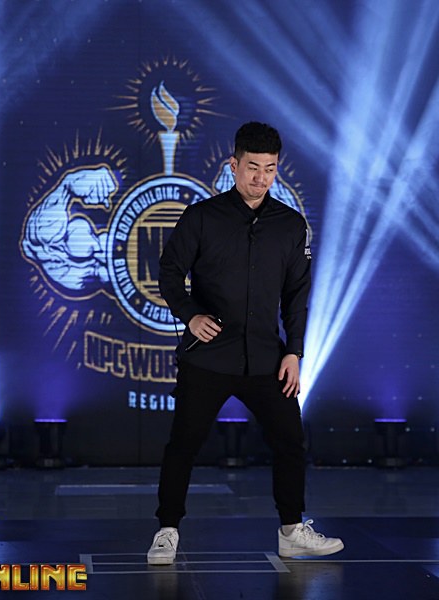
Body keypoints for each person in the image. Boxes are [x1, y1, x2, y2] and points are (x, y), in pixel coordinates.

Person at [148, 121, 343, 565]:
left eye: (270, 169)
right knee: (184, 444)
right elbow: (169, 272)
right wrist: (191, 314)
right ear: (233, 165)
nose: (260, 177)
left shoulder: (290, 225)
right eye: (252, 167)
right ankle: (167, 530)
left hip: (266, 359)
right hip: (208, 356)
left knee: (290, 441)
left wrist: (294, 351)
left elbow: (297, 295)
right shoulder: (202, 217)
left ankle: (292, 530)